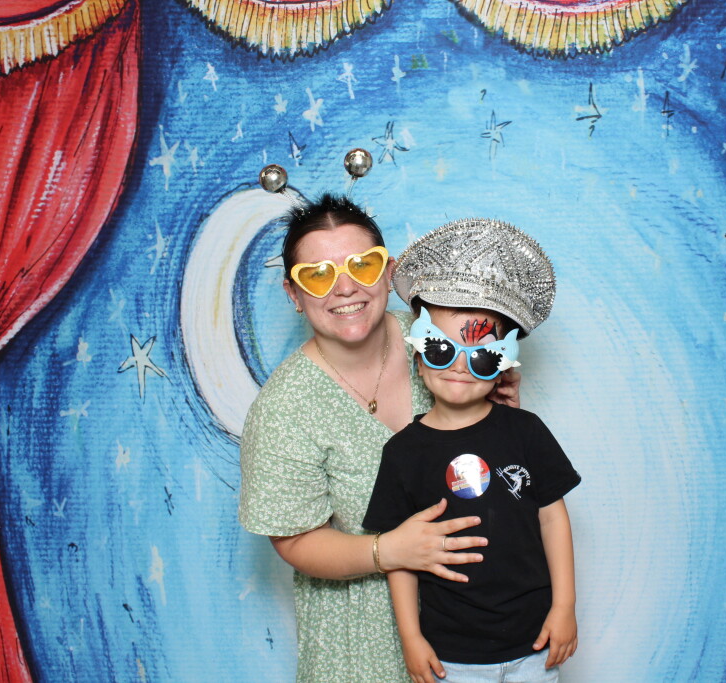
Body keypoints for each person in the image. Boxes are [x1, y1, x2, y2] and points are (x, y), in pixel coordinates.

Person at [238, 195, 518, 682]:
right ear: (293, 293)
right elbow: (294, 540)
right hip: (362, 637)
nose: (345, 287)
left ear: (388, 272)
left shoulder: (444, 344)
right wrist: (386, 551)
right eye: (318, 275)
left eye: (361, 265)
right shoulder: (284, 408)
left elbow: (504, 460)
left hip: (478, 617)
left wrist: (499, 410)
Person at [363, 218, 580, 683]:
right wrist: (410, 637)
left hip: (535, 646)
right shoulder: (401, 454)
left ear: (503, 364)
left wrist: (565, 606)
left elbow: (553, 519)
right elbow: (400, 557)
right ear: (418, 355)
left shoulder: (527, 431)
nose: (460, 366)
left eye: (481, 356)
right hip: (452, 656)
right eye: (441, 349)